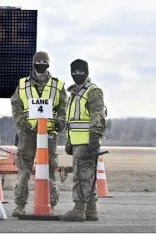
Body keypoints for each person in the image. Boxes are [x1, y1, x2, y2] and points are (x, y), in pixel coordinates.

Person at [10, 51, 67, 216]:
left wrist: (59, 123)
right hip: (27, 134)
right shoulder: (23, 85)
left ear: (48, 64)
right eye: (38, 62)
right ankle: (20, 205)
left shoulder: (58, 86)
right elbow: (16, 106)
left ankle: (50, 204)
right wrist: (22, 123)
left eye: (44, 62)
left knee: (49, 171)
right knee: (24, 171)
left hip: (48, 134)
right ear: (33, 64)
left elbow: (63, 108)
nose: (41, 65)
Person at [60, 59, 107, 221]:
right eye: (74, 72)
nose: (76, 75)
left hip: (87, 141)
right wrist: (69, 142)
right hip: (77, 141)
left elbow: (98, 116)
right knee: (88, 175)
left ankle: (79, 210)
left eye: (80, 72)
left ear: (86, 73)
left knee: (81, 176)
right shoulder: (75, 93)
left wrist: (94, 137)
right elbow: (72, 121)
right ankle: (91, 210)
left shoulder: (92, 91)